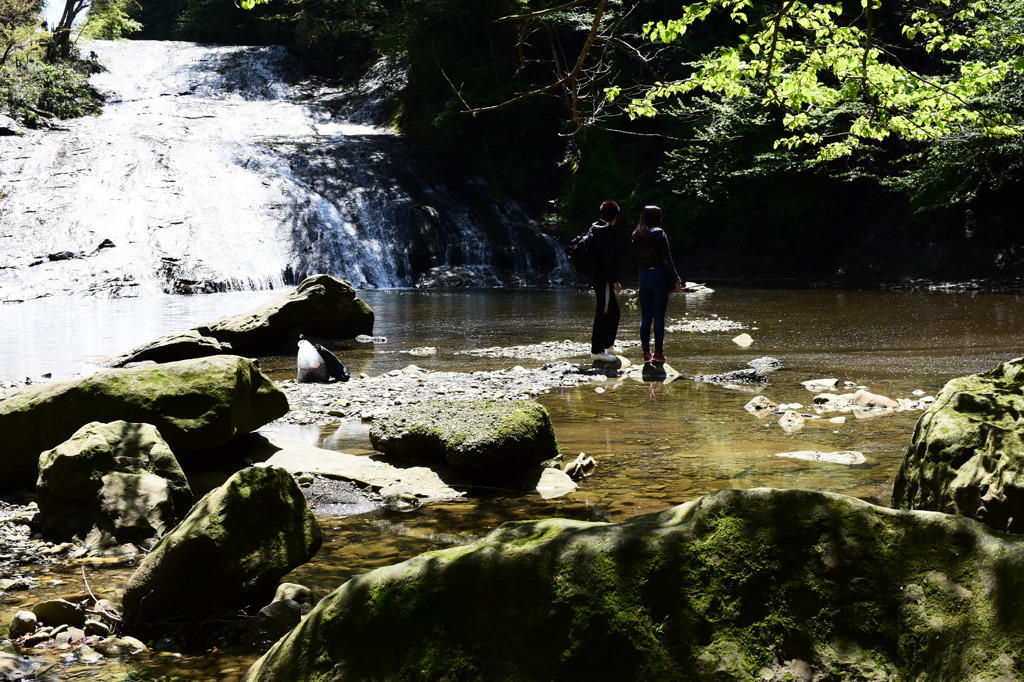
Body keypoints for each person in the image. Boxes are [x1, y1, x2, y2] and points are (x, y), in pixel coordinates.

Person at [632, 205, 682, 364]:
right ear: (656, 217)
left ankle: (646, 354)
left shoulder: (636, 235)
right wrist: (676, 278)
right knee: (659, 315)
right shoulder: (660, 233)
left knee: (646, 316)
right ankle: (658, 353)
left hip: (644, 277)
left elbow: (638, 260)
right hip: (660, 276)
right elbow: (667, 258)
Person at [588, 200, 623, 363]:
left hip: (596, 275)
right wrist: (615, 280)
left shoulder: (594, 227)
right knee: (603, 311)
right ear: (615, 216)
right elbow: (609, 259)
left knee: (614, 311)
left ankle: (608, 345)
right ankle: (597, 350)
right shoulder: (607, 231)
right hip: (604, 278)